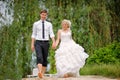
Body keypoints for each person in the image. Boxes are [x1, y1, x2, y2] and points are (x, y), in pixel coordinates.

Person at [31, 10, 56, 78]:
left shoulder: (49, 24)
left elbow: (51, 33)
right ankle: (39, 72)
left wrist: (54, 41)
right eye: (42, 14)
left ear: (46, 15)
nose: (44, 16)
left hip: (46, 42)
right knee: (39, 57)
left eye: (45, 15)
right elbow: (33, 34)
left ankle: (42, 74)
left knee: (45, 58)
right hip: (38, 42)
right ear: (40, 15)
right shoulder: (36, 24)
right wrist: (32, 44)